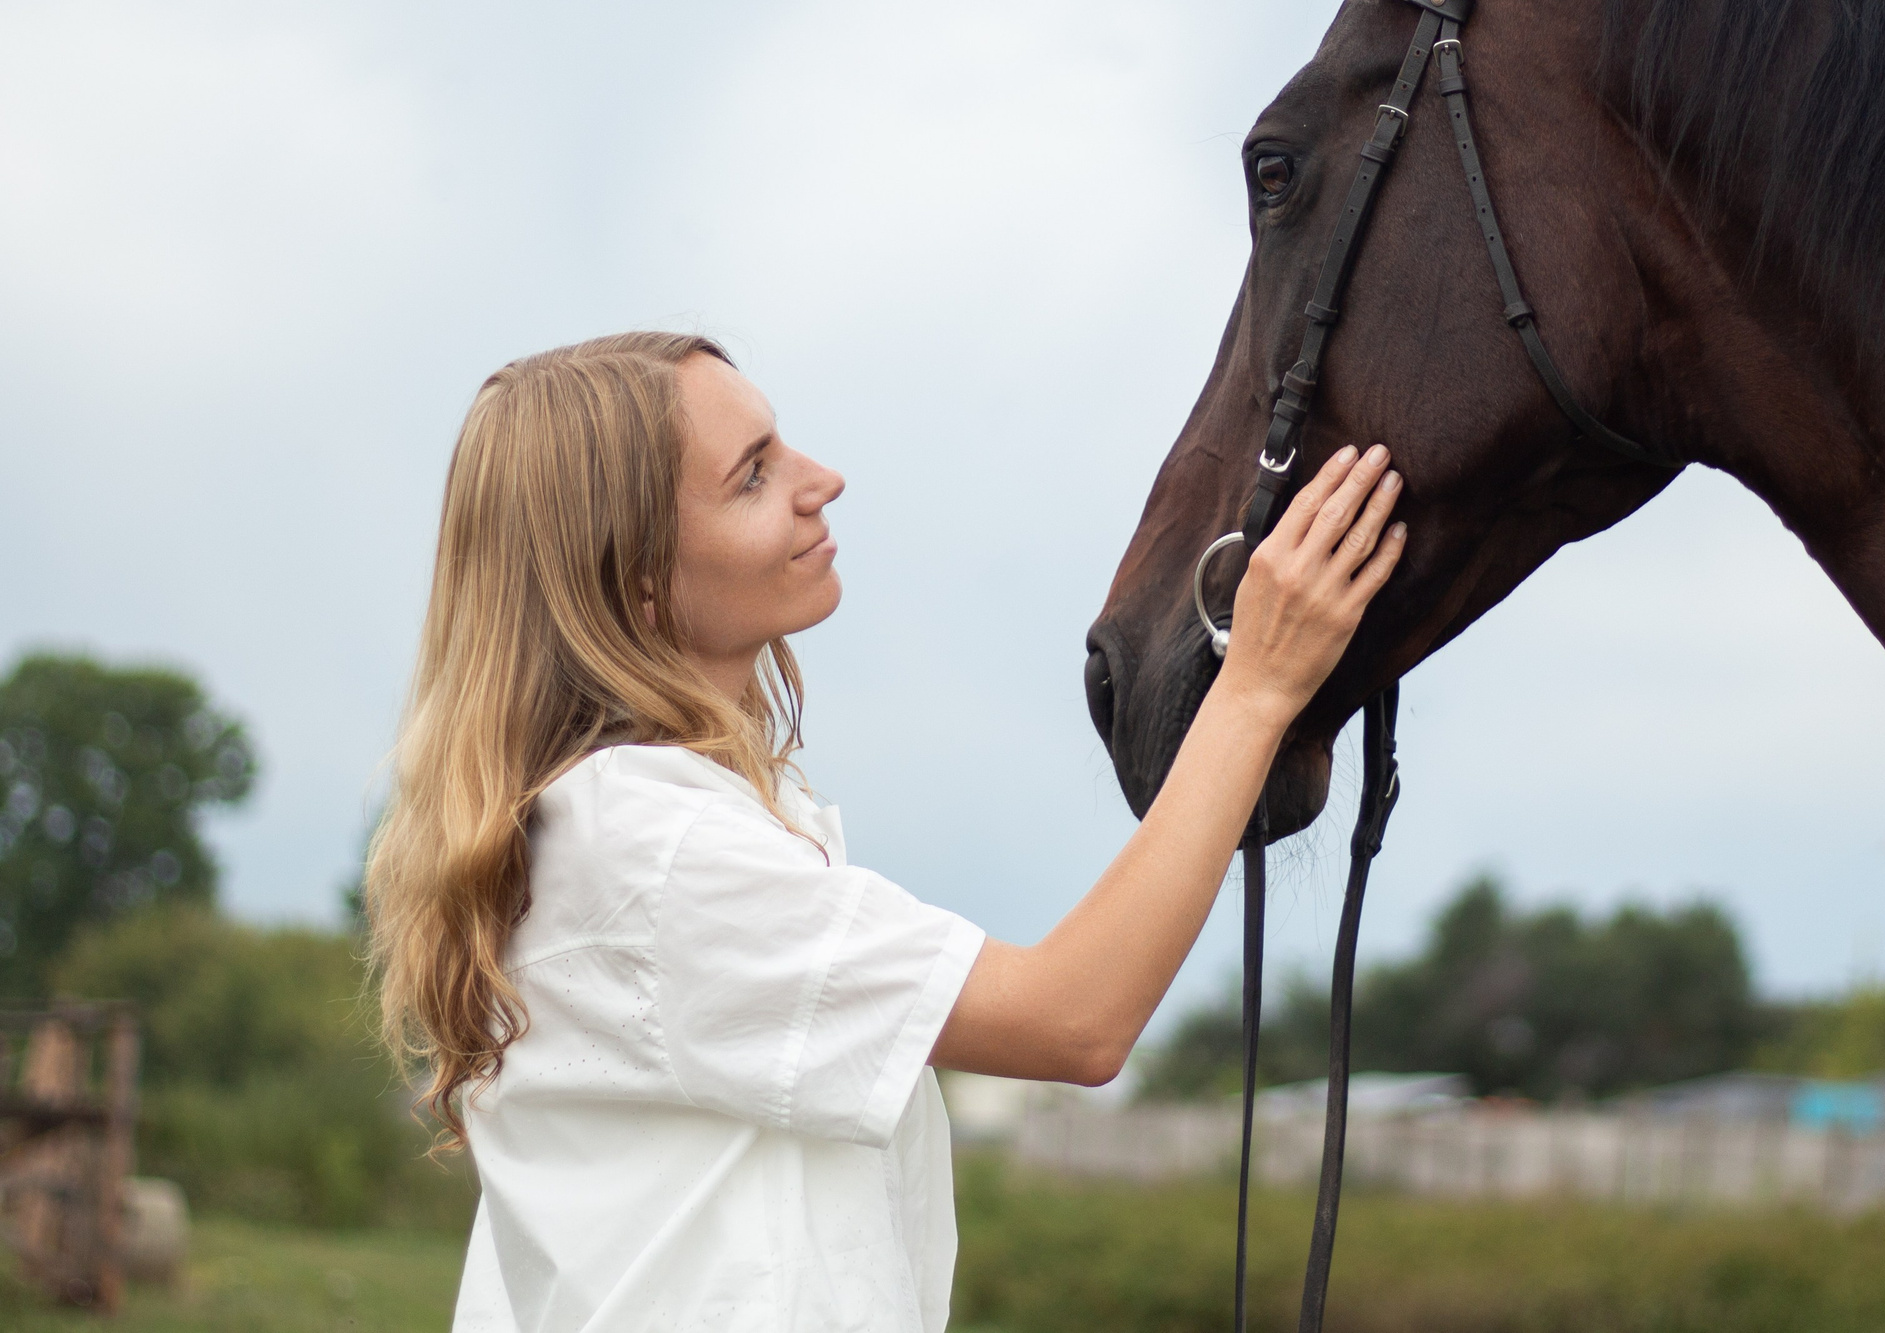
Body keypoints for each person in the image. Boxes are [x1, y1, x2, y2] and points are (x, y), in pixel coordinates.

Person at [365, 331, 1403, 1333]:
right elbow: (1074, 1019)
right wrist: (1258, 687)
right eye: (753, 475)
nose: (824, 478)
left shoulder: (633, 824)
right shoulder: (647, 841)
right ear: (636, 578)